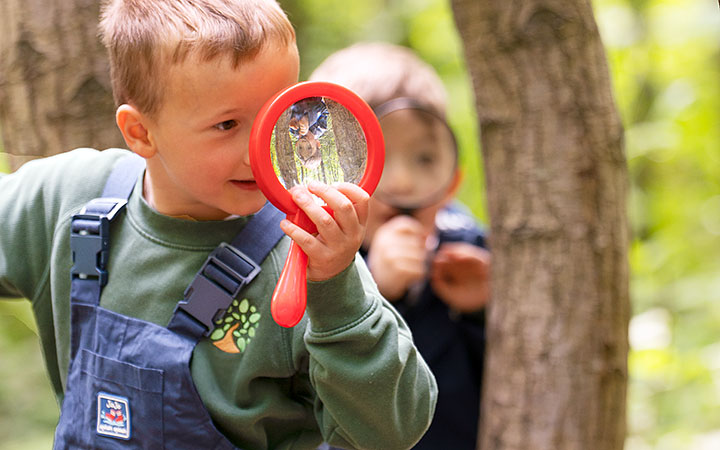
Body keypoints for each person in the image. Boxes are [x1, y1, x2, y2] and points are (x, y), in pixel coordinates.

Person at [0, 4, 437, 449]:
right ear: (140, 133)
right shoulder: (69, 200)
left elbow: (395, 429)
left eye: (278, 114)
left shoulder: (307, 254)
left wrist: (337, 294)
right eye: (226, 124)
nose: (259, 151)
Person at [310, 42, 491, 450]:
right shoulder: (308, 268)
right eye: (376, 156)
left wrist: (482, 311)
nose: (405, 183)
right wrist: (370, 292)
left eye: (425, 159)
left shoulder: (470, 247)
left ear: (452, 180)